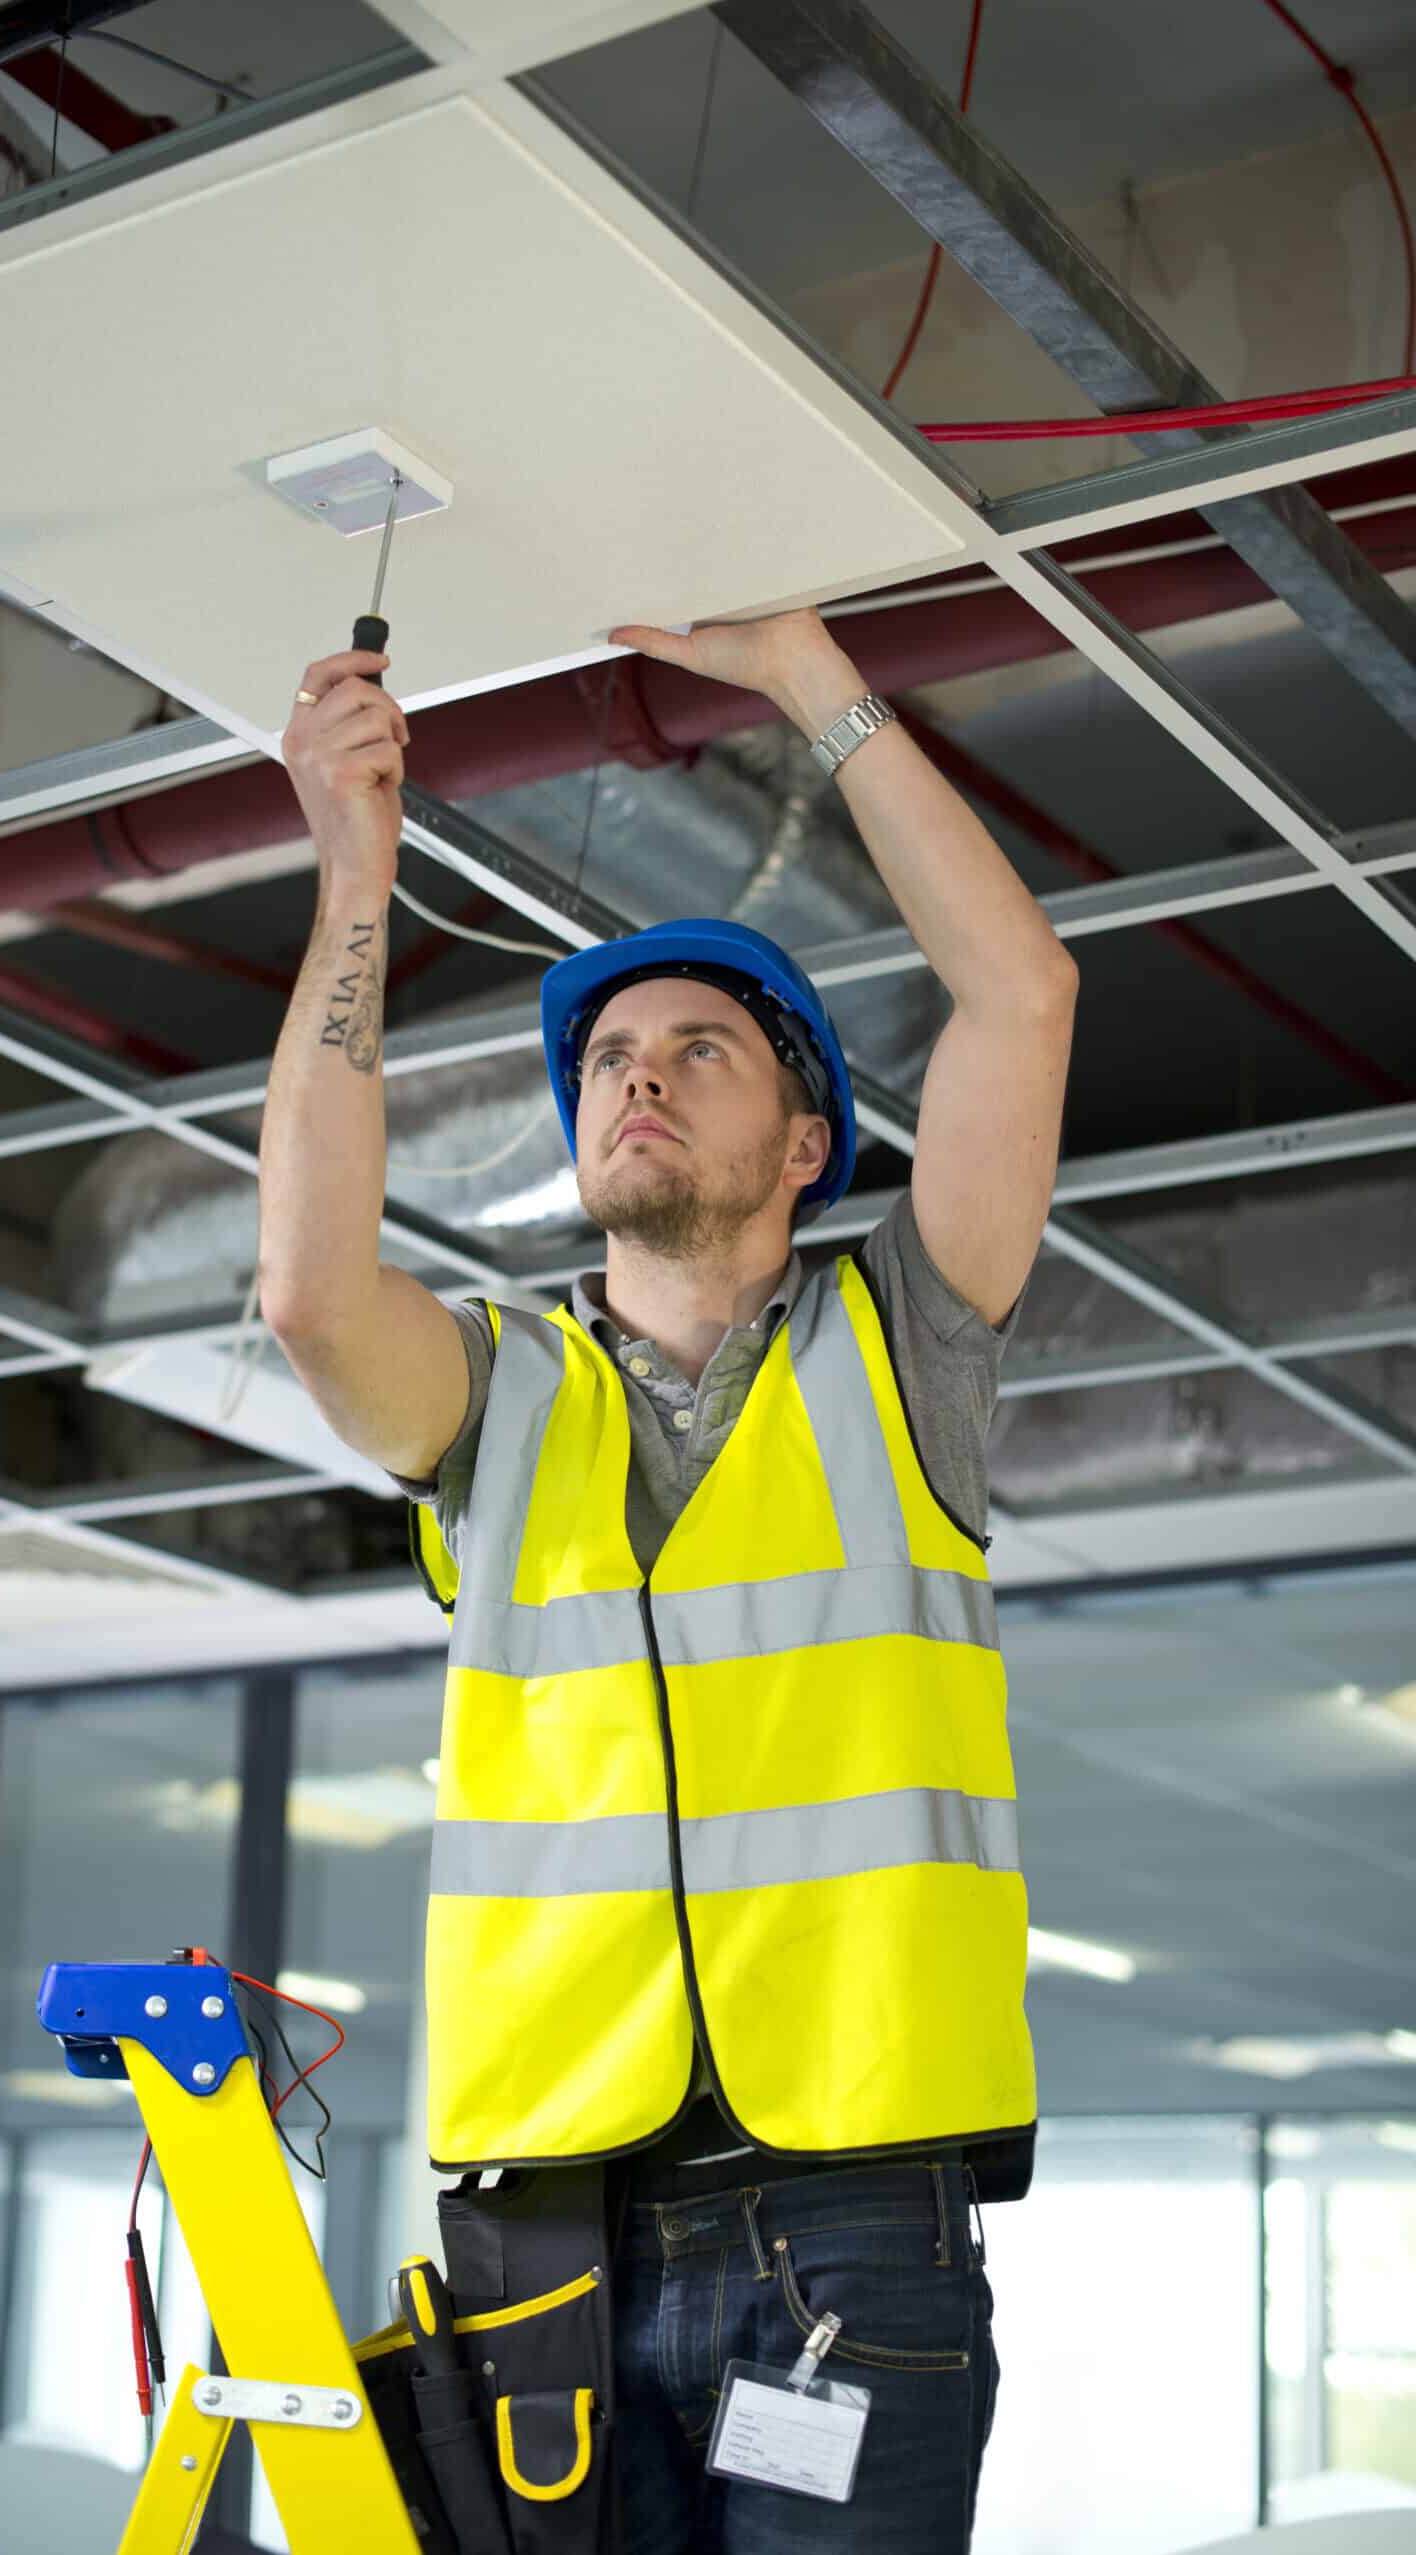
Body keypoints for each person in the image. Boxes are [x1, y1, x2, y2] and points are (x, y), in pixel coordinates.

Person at [264, 604, 1079, 2551]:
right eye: (610, 1058)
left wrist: (807, 679)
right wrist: (354, 871)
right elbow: (301, 1288)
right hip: (550, 2209)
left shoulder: (905, 1353)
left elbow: (1024, 997)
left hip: (854, 2213)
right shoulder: (497, 1397)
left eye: (698, 1050)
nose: (637, 1076)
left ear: (804, 1142)